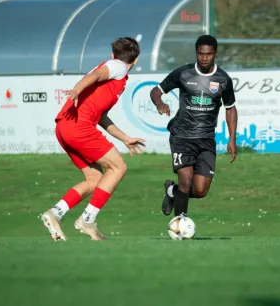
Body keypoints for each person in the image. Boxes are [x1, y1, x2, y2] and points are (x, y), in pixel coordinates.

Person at [41, 37, 145, 241]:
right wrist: (77, 89)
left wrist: (124, 138)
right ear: (137, 60)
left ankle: (55, 213)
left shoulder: (114, 77)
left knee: (95, 180)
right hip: (78, 127)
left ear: (112, 53)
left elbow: (102, 117)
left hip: (65, 126)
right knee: (119, 167)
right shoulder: (120, 67)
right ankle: (87, 220)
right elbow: (98, 74)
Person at [149, 34, 238, 219]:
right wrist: (159, 103)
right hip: (181, 136)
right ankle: (180, 225)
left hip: (206, 139)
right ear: (196, 53)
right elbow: (156, 90)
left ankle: (172, 192)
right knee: (186, 181)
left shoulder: (223, 79)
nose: (204, 58)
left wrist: (232, 138)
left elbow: (230, 109)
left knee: (200, 190)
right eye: (200, 54)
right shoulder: (183, 73)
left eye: (209, 54)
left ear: (215, 54)